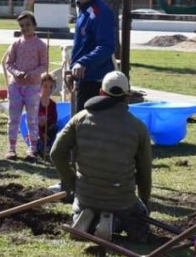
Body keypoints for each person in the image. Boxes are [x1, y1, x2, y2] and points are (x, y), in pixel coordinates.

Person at [50, 71, 152, 242]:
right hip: (121, 199)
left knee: (81, 205)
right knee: (137, 214)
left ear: (101, 92)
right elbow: (144, 171)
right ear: (126, 96)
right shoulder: (138, 127)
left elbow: (56, 153)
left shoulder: (80, 119)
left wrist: (73, 182)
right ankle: (113, 223)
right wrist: (145, 200)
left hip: (86, 196)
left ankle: (82, 218)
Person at [69, 0, 117, 111]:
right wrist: (73, 69)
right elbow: (82, 47)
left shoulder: (100, 12)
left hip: (95, 81)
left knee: (89, 128)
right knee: (80, 125)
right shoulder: (84, 10)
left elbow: (107, 46)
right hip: (83, 79)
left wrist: (83, 62)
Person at [4, 11, 49, 159]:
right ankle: (11, 148)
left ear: (34, 25)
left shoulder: (41, 45)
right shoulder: (16, 43)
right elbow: (8, 63)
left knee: (32, 117)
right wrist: (16, 73)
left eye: (28, 25)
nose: (25, 28)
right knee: (13, 117)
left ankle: (33, 148)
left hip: (33, 86)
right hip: (15, 86)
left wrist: (33, 73)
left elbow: (44, 65)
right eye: (22, 26)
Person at [35, 72, 58, 156]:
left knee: (55, 129)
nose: (48, 89)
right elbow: (32, 119)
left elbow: (54, 120)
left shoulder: (52, 104)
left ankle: (48, 148)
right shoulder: (36, 102)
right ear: (39, 86)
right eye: (45, 86)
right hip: (37, 131)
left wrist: (47, 131)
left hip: (48, 131)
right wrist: (41, 133)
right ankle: (39, 147)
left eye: (51, 87)